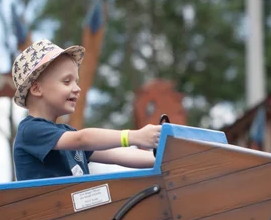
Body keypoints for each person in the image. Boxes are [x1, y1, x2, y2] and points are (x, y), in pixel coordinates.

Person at [10, 39, 160, 181]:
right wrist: (133, 136)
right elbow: (83, 139)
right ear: (36, 89)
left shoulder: (67, 136)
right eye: (67, 81)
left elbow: (118, 154)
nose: (77, 88)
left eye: (76, 81)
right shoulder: (30, 130)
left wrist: (165, 159)